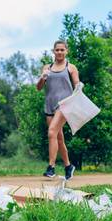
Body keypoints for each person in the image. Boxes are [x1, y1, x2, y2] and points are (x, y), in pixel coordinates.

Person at [36, 40, 78, 180]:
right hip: (49, 105)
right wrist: (42, 78)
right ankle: (68, 166)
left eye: (62, 50)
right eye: (57, 50)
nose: (59, 52)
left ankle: (51, 167)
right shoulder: (47, 68)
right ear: (53, 51)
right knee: (58, 138)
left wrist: (79, 86)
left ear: (67, 51)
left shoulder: (70, 67)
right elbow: (39, 87)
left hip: (64, 105)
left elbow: (77, 85)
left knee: (51, 132)